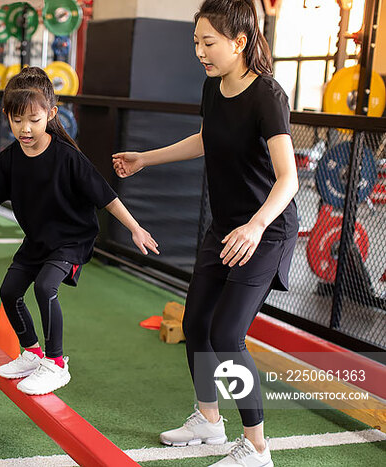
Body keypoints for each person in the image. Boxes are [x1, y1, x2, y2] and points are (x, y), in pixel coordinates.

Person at [113, 1, 298, 465]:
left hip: (264, 231)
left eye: (208, 42)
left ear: (239, 42)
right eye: (196, 41)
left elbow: (288, 178)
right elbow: (205, 138)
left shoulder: (267, 95)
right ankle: (209, 420)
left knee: (227, 334)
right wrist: (145, 157)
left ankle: (256, 448)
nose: (200, 51)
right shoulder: (213, 87)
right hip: (224, 228)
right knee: (196, 323)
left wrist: (256, 226)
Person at [0, 67, 159, 395]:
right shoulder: (10, 158)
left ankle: (56, 363)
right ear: (6, 116)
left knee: (46, 287)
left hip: (73, 239)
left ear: (51, 113)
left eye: (33, 119)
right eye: (17, 120)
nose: (25, 128)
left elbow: (106, 196)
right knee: (9, 292)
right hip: (39, 239)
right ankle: (31, 352)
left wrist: (135, 228)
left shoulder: (68, 157)